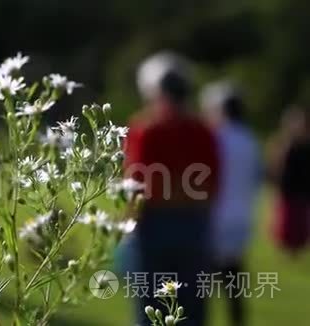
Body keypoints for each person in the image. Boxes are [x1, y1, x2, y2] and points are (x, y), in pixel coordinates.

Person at [124, 51, 219, 326]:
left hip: (154, 222)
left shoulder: (145, 128)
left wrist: (128, 221)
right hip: (194, 221)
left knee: (150, 304)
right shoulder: (203, 130)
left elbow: (135, 180)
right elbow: (213, 182)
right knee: (192, 305)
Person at [200, 81, 262, 326]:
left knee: (202, 283)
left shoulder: (214, 138)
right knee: (234, 282)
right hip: (242, 219)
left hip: (214, 218)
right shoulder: (250, 140)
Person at [268, 106, 310, 255]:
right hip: (288, 190)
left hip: (302, 191)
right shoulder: (282, 144)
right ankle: (287, 249)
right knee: (287, 222)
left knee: (299, 223)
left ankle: (296, 249)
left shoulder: (305, 146)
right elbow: (276, 167)